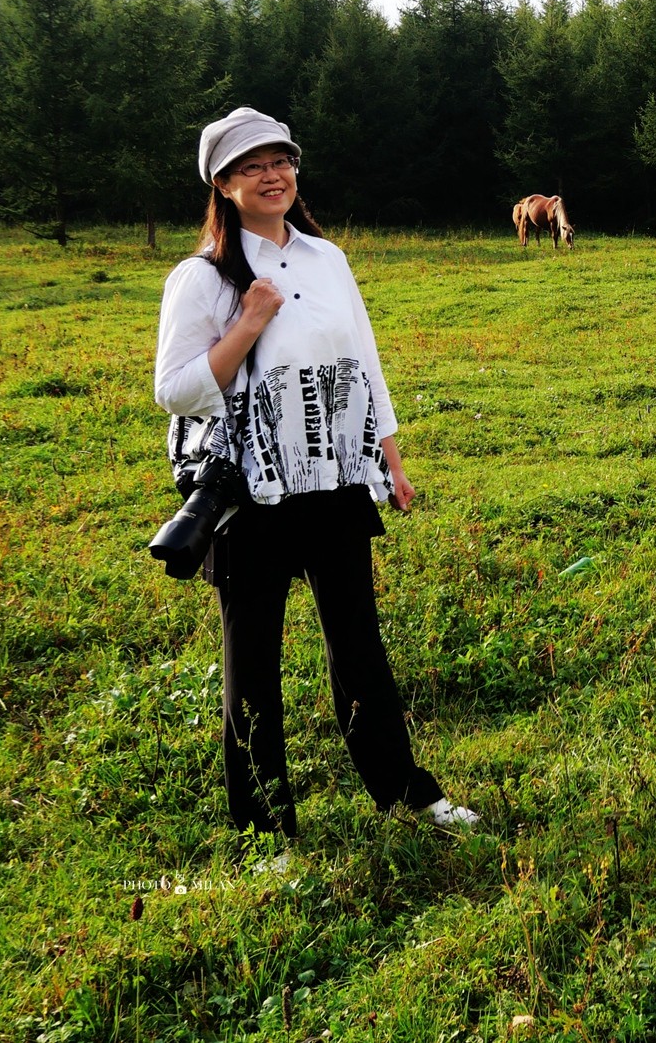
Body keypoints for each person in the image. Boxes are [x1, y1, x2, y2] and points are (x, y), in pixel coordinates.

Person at [153, 107, 476, 835]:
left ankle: (406, 794)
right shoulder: (202, 277)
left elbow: (363, 361)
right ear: (224, 184)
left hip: (334, 483)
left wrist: (388, 455)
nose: (274, 176)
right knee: (253, 670)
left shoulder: (328, 260)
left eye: (283, 161)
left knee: (361, 648)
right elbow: (173, 389)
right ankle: (266, 830)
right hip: (250, 496)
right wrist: (247, 323)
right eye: (253, 166)